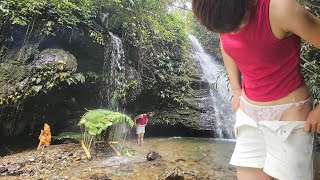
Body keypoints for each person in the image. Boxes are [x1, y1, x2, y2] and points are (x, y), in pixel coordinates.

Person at [192, 0, 320, 179]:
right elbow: (226, 46)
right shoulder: (221, 15)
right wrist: (236, 89)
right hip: (249, 115)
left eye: (236, 25)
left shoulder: (281, 9)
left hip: (290, 114)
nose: (233, 32)